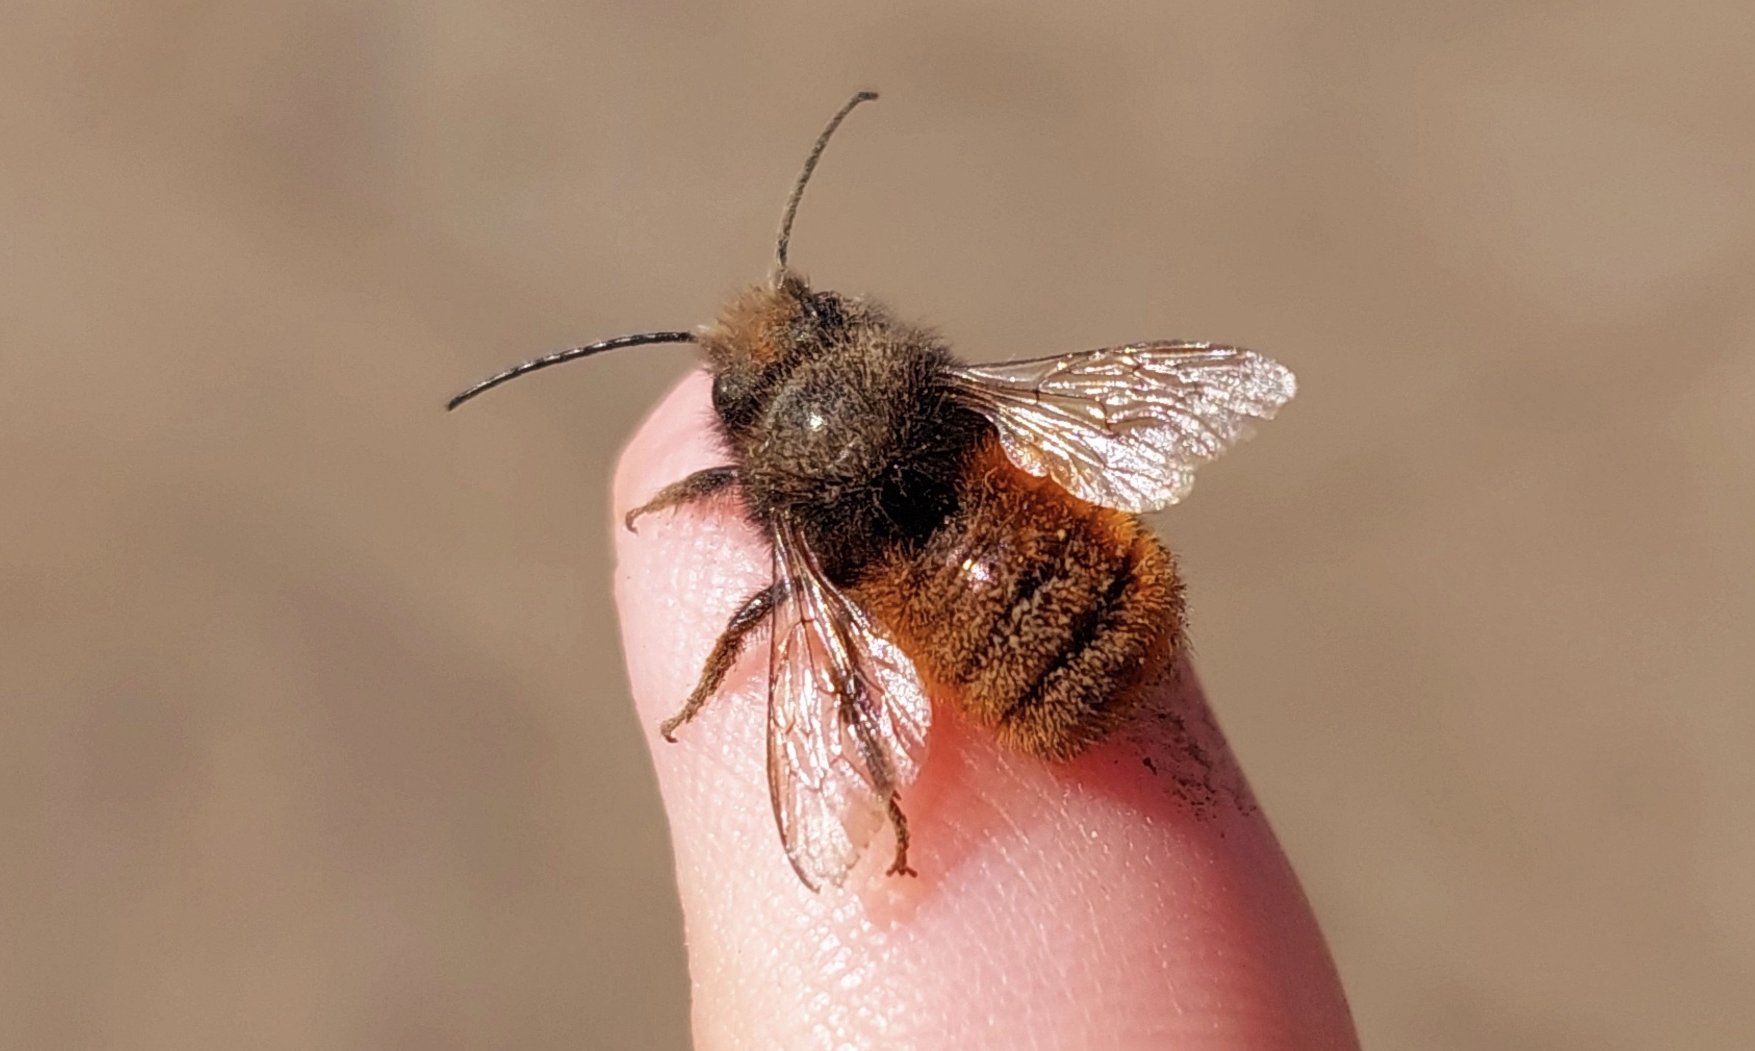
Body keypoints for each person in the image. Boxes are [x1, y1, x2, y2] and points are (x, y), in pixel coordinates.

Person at [615, 374, 1358, 1048]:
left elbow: (777, 620)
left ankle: (892, 811)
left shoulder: (790, 511)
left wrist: (701, 696)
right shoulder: (932, 390)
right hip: (1117, 608)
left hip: (1033, 678)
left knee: (776, 611)